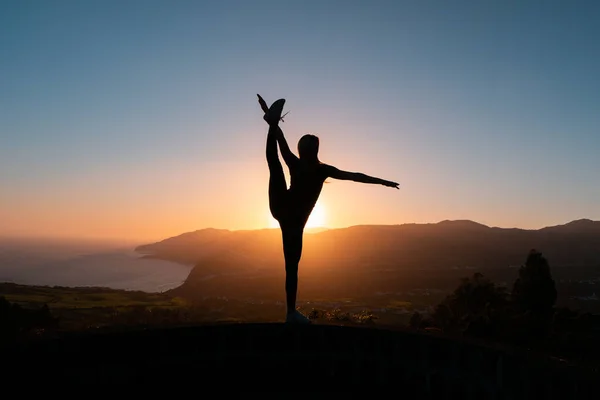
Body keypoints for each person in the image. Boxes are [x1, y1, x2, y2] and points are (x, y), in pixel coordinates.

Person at [258, 94, 399, 324]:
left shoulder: (297, 163)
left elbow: (279, 140)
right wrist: (382, 181)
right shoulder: (322, 170)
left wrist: (271, 122)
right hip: (292, 221)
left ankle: (291, 312)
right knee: (291, 268)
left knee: (274, 165)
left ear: (302, 149)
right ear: (315, 150)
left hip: (281, 206)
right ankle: (290, 312)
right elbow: (355, 177)